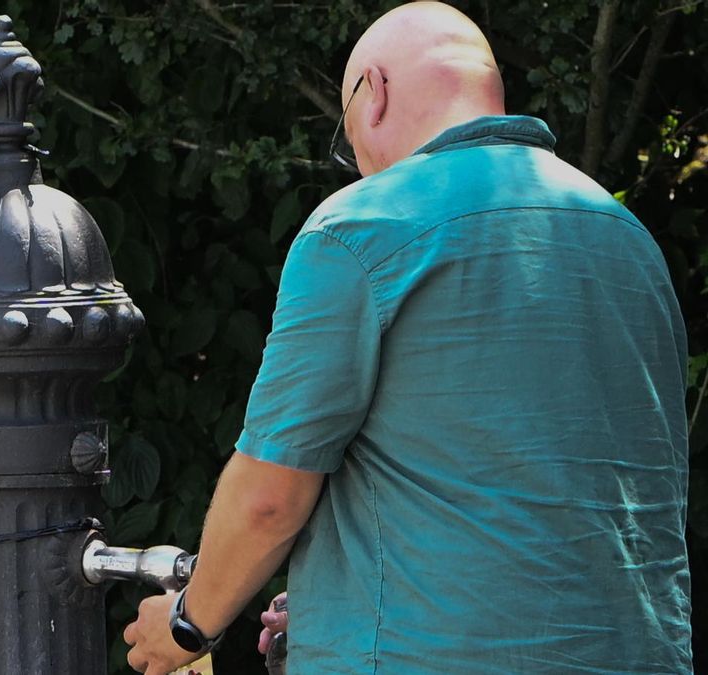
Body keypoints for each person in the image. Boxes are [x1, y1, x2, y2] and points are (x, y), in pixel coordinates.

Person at [122, 2, 692, 673]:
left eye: (347, 139)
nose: (357, 164)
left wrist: (189, 623)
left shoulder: (364, 224)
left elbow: (271, 498)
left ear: (375, 92)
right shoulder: (628, 239)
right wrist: (336, 591)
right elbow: (536, 491)